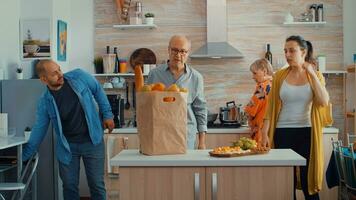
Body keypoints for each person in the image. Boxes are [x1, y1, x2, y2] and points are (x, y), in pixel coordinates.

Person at [23, 60, 115, 200]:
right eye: (54, 73)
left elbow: (98, 90)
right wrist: (24, 156)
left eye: (59, 69)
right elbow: (39, 130)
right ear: (44, 79)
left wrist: (107, 114)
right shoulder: (45, 101)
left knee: (96, 185)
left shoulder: (79, 76)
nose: (60, 74)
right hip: (68, 147)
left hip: (93, 141)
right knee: (69, 186)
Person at [261, 35, 331, 200]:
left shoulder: (315, 75)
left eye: (292, 50)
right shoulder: (279, 76)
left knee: (309, 182)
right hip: (282, 133)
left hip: (307, 132)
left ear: (303, 52)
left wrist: (312, 74)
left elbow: (323, 101)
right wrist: (264, 133)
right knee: (286, 181)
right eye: (285, 51)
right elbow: (271, 107)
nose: (287, 54)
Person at [147, 35, 207, 149]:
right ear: (168, 50)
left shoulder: (196, 77)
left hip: (186, 135)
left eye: (183, 51)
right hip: (160, 134)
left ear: (188, 53)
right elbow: (148, 106)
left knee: (185, 167)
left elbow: (200, 109)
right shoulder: (154, 74)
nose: (178, 55)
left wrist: (202, 142)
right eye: (174, 50)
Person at [244, 58, 273, 144]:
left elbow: (250, 111)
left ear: (264, 71)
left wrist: (247, 117)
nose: (253, 77)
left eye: (255, 73)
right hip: (271, 130)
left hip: (261, 131)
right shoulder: (274, 84)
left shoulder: (262, 88)